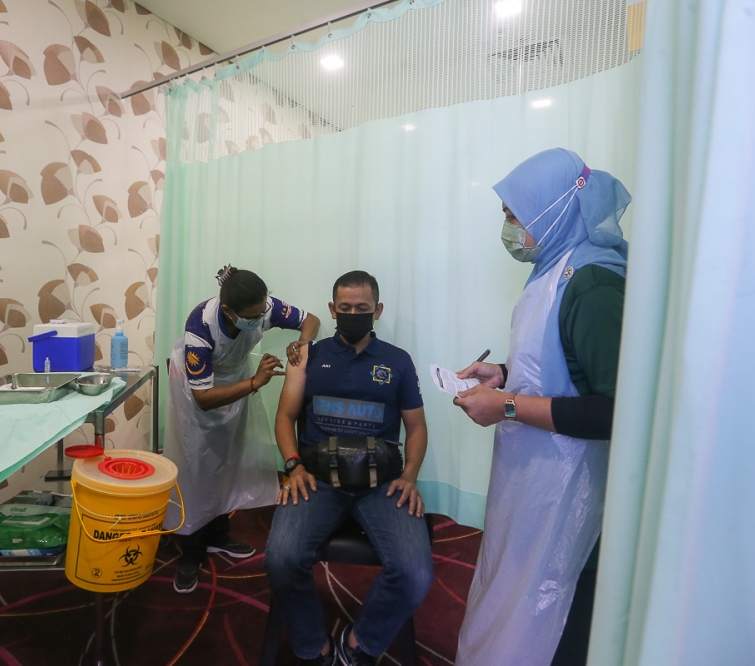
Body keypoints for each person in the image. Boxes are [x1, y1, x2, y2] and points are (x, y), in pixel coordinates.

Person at [452, 148, 630, 666]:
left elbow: (615, 410)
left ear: (553, 210)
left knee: (549, 609)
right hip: (532, 472)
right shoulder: (554, 269)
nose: (508, 228)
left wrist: (506, 406)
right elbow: (558, 366)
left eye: (514, 214)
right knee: (512, 582)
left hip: (571, 484)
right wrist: (502, 375)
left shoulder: (594, 285)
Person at [265, 270, 433, 666]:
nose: (353, 314)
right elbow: (285, 417)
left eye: (362, 308)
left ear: (378, 310)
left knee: (415, 573)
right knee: (281, 558)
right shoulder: (307, 355)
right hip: (318, 480)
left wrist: (410, 476)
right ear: (332, 310)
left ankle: (359, 645)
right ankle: (313, 648)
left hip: (382, 483)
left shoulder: (397, 361)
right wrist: (293, 467)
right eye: (345, 308)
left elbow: (418, 427)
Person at [163, 265, 320, 594]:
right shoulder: (200, 329)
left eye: (262, 310)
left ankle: (218, 535)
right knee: (195, 467)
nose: (259, 318)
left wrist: (301, 345)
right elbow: (204, 398)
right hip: (196, 392)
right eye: (250, 316)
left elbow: (311, 320)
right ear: (227, 311)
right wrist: (254, 382)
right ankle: (190, 551)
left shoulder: (263, 307)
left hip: (236, 379)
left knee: (227, 458)